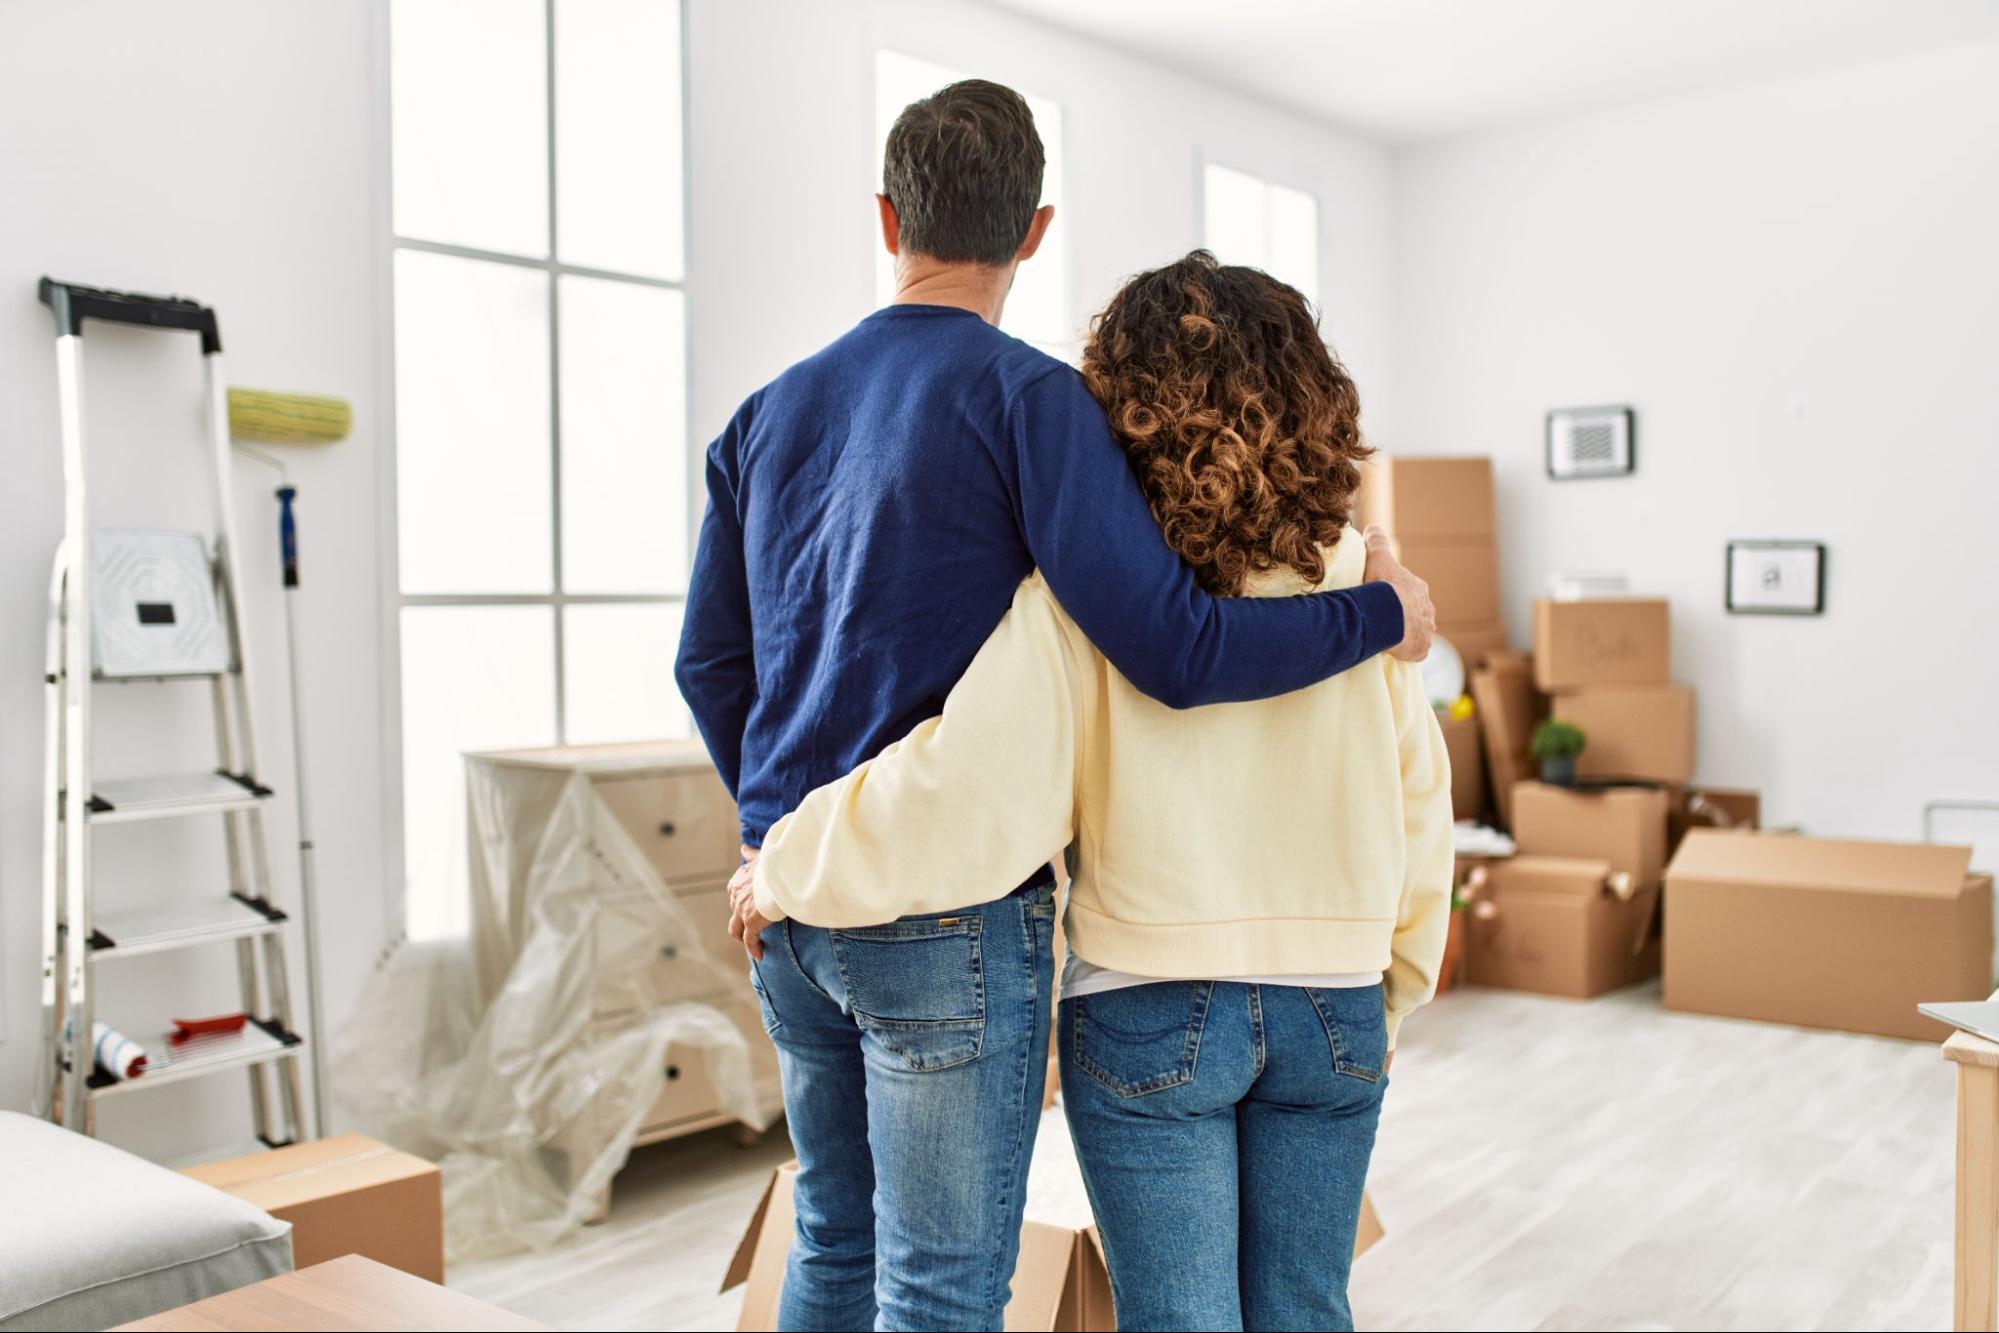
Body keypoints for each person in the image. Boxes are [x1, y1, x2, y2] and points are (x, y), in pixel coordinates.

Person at [676, 77, 1435, 1331]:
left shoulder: (764, 414)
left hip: (794, 906)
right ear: (1032, 230)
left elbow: (711, 667)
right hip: (949, 920)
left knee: (831, 1238)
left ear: (885, 218)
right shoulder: (1032, 402)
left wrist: (777, 835)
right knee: (941, 1286)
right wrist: (1380, 616)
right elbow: (1176, 649)